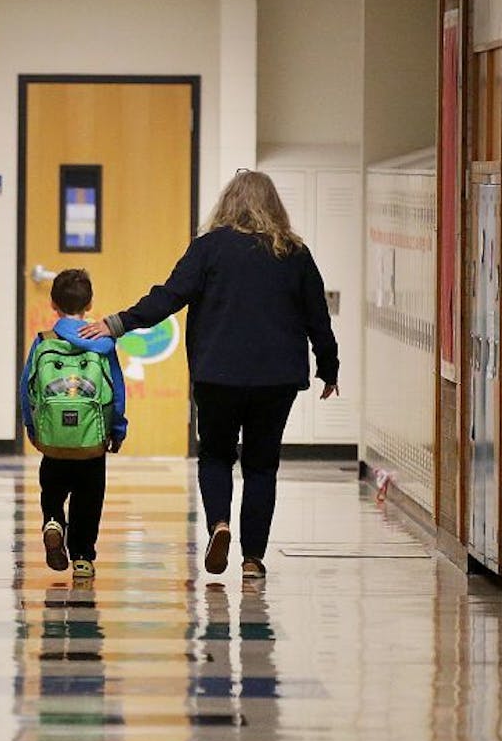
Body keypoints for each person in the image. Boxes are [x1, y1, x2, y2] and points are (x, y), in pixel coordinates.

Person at [81, 169, 338, 581]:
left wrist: (117, 323)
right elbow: (317, 316)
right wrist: (329, 366)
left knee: (216, 454)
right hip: (277, 378)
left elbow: (169, 296)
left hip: (217, 373)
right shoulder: (294, 253)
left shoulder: (209, 249)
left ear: (228, 203)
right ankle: (252, 559)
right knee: (261, 466)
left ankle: (219, 524)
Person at [20, 269, 128, 580]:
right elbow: (116, 391)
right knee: (89, 498)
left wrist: (32, 427)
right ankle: (82, 557)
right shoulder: (103, 344)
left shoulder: (44, 342)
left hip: (53, 441)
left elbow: (27, 389)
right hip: (91, 443)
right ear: (90, 303)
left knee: (51, 488)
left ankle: (53, 521)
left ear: (53, 304)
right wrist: (117, 430)